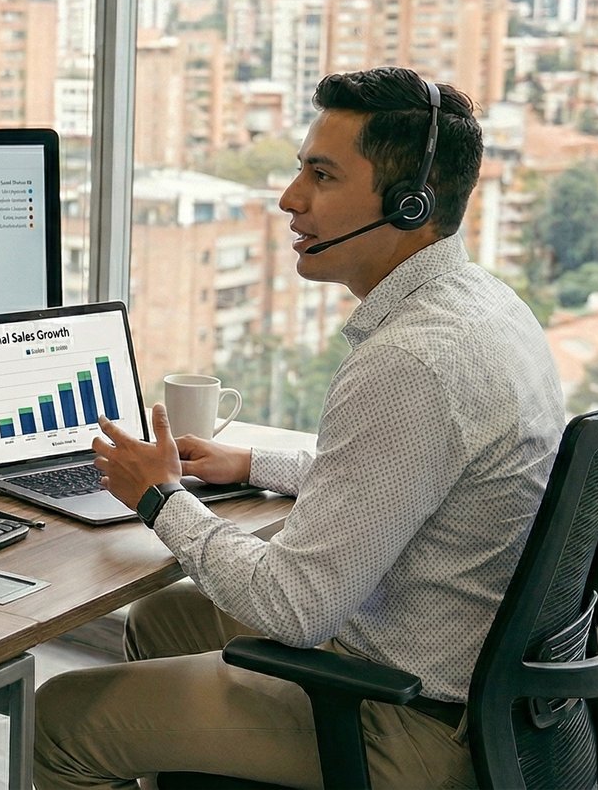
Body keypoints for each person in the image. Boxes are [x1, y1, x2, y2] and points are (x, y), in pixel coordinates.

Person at [35, 67, 566, 789]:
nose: (290, 200)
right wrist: (253, 462)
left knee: (60, 719)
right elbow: (402, 480)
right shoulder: (483, 306)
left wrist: (161, 498)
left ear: (410, 205)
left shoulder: (411, 362)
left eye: (321, 175)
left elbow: (294, 606)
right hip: (466, 690)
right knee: (164, 618)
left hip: (406, 723)